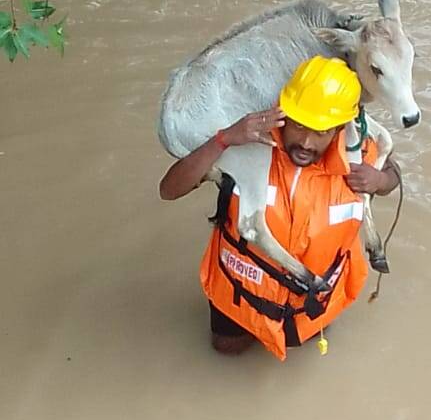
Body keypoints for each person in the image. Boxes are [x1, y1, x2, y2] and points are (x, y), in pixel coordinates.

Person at [159, 56, 399, 361]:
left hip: (315, 303)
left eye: (321, 132)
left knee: (309, 348)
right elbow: (168, 190)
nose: (307, 143)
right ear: (284, 112)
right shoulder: (245, 147)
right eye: (298, 126)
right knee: (225, 349)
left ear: (340, 128)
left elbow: (393, 176)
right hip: (239, 295)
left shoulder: (361, 152)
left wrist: (380, 179)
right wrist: (222, 140)